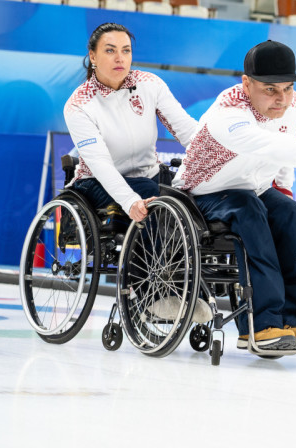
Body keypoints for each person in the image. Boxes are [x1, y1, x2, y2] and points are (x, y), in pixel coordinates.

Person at [173, 40, 296, 350]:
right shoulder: (228, 112)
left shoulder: (294, 107)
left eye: (288, 88)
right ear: (247, 84)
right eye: (270, 89)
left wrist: (283, 190)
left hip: (256, 188)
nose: (281, 99)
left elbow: (285, 147)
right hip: (204, 193)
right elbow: (266, 145)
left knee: (292, 216)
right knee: (249, 211)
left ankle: (292, 321)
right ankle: (261, 324)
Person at [63, 22, 211, 323]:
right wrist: (130, 200)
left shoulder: (149, 84)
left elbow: (187, 130)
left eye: (126, 51)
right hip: (96, 182)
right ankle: (153, 295)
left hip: (148, 175)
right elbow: (101, 164)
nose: (120, 58)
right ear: (93, 56)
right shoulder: (78, 105)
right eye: (110, 50)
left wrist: (219, 159)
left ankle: (190, 288)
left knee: (193, 194)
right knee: (149, 194)